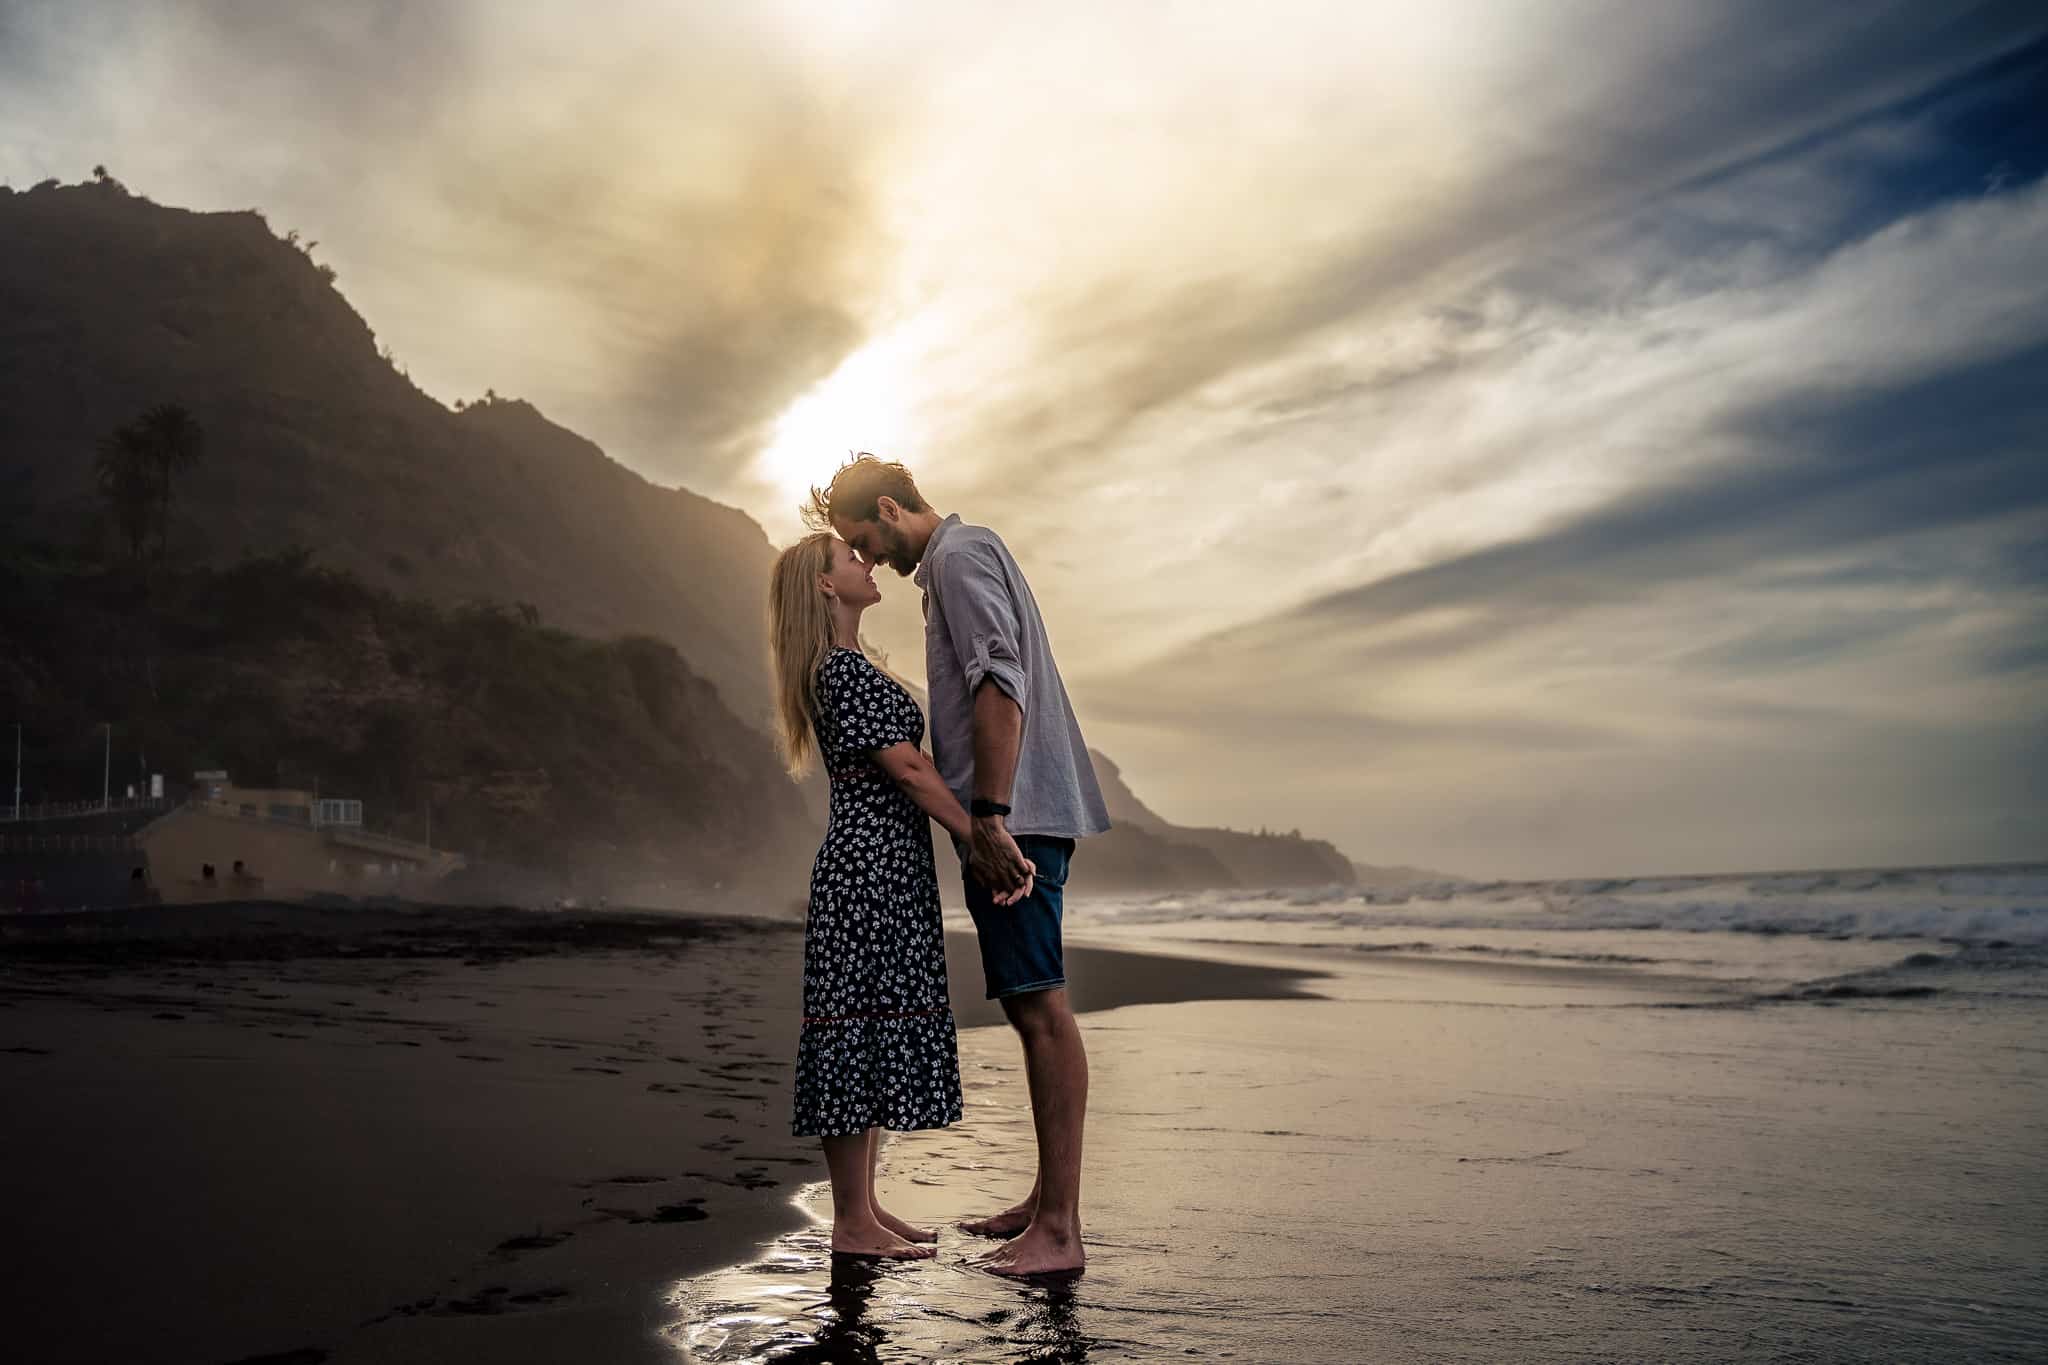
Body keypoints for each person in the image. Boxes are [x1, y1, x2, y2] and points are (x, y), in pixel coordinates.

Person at [808, 455, 1111, 1277]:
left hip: (1013, 820)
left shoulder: (956, 556)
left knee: (1039, 1004)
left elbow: (998, 681)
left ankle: (1058, 1228)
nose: (867, 556)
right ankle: (1047, 1203)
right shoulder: (958, 562)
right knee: (1029, 1002)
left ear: (892, 507)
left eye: (863, 536)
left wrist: (990, 816)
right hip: (1014, 815)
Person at [766, 531, 1032, 1260]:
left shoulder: (850, 665)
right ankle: (852, 1221)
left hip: (886, 867)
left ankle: (866, 1208)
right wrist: (983, 838)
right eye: (849, 559)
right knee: (851, 1029)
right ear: (825, 586)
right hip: (865, 870)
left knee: (870, 1025)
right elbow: (910, 770)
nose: (866, 562)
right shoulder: (839, 672)